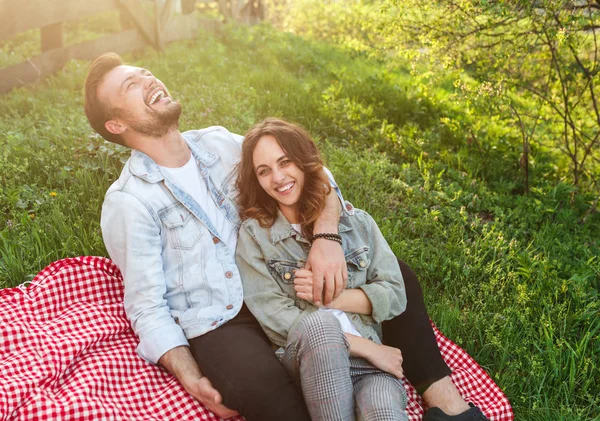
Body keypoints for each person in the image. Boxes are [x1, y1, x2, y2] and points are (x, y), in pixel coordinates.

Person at [83, 52, 487, 421]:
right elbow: (146, 305)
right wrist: (189, 375)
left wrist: (327, 237)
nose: (147, 77)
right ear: (116, 124)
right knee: (258, 386)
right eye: (130, 85)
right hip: (222, 320)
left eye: (143, 71)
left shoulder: (218, 144)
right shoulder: (130, 201)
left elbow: (311, 173)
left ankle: (446, 404)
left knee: (397, 274)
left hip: (280, 276)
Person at [235, 118, 490, 421]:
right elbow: (274, 316)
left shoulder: (358, 224)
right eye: (264, 171)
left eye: (285, 162)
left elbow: (396, 292)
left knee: (383, 412)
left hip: (374, 367)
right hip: (312, 361)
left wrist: (331, 297)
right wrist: (367, 348)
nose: (277, 177)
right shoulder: (255, 236)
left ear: (303, 161)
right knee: (321, 326)